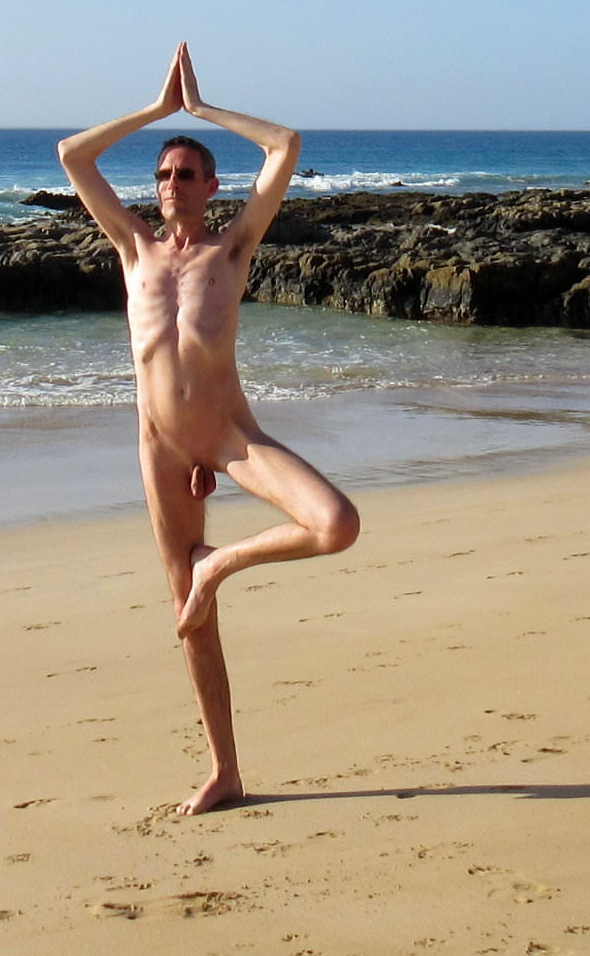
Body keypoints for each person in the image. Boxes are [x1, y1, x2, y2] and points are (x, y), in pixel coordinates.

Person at [57, 42, 361, 815]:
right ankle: (226, 771)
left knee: (336, 524)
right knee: (189, 620)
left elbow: (285, 145)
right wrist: (155, 111)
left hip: (229, 437)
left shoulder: (233, 249)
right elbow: (72, 155)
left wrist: (202, 109)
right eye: (164, 174)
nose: (172, 184)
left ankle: (219, 565)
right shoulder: (133, 249)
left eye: (187, 173)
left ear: (212, 187)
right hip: (162, 450)